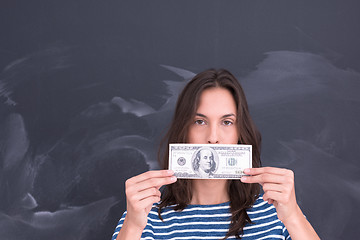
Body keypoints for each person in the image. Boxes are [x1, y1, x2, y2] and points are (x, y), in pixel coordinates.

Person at [112, 69, 320, 240]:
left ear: (241, 132)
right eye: (199, 121)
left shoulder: (276, 213)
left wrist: (293, 216)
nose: (213, 137)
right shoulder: (144, 216)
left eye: (227, 122)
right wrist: (132, 227)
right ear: (183, 129)